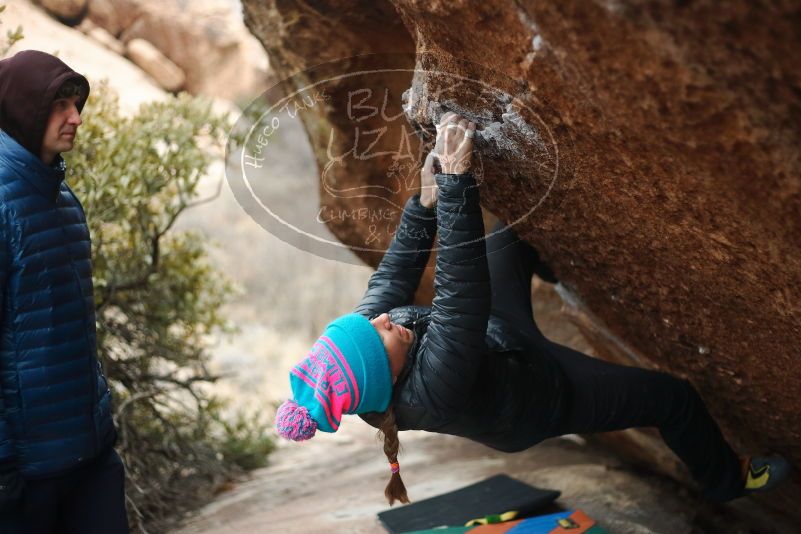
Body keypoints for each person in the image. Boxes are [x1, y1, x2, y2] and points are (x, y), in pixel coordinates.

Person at [275, 111, 791, 506]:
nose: (384, 320)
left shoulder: (370, 346)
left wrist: (425, 202)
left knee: (512, 238)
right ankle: (728, 480)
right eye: (380, 333)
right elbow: (460, 300)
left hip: (503, 338)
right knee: (674, 399)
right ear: (383, 378)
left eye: (374, 321)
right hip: (545, 396)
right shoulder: (433, 391)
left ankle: (565, 276)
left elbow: (392, 277)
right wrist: (455, 183)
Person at [0, 50, 128, 533]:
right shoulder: (3, 203)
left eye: (77, 104)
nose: (75, 117)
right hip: (27, 471)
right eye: (59, 105)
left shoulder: (62, 198)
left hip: (89, 453)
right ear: (23, 107)